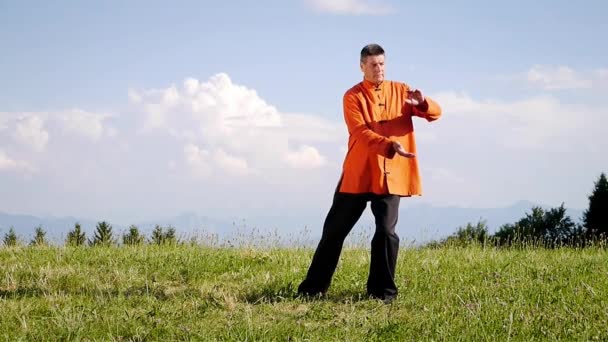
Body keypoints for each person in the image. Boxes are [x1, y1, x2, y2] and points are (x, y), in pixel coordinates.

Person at [297, 43, 442, 303]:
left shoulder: (402, 90)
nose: (379, 69)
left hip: (391, 176)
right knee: (334, 231)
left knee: (386, 232)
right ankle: (312, 289)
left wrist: (423, 103)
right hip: (359, 173)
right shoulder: (351, 96)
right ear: (362, 66)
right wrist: (389, 145)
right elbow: (360, 132)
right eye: (374, 65)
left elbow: (435, 113)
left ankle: (382, 294)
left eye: (382, 64)